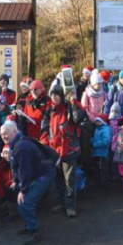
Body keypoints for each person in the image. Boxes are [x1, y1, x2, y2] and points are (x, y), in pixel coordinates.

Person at [3, 121, 55, 245]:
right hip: (36, 175)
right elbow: (16, 167)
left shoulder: (22, 147)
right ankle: (30, 226)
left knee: (26, 202)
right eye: (1, 135)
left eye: (6, 133)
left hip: (43, 176)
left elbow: (26, 171)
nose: (3, 136)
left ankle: (36, 231)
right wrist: (16, 182)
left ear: (14, 132)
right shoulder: (15, 144)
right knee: (20, 201)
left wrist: (23, 190)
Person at [41, 85, 86, 217]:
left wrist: (73, 101)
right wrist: (46, 148)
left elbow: (79, 117)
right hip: (55, 152)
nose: (54, 97)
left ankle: (70, 205)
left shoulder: (69, 108)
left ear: (61, 95)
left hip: (69, 150)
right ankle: (61, 203)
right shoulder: (49, 111)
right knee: (58, 180)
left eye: (57, 94)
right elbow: (44, 131)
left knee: (69, 180)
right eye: (52, 95)